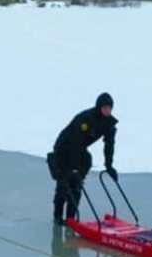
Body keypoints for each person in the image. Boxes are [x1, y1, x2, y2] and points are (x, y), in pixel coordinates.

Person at [49, 92, 118, 225]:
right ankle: (58, 218)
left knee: (76, 186)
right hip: (63, 149)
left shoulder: (109, 123)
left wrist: (109, 166)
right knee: (64, 184)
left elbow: (109, 145)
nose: (107, 110)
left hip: (80, 150)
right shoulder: (86, 119)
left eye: (109, 108)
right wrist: (74, 168)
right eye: (104, 107)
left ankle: (70, 218)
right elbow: (75, 141)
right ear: (99, 107)